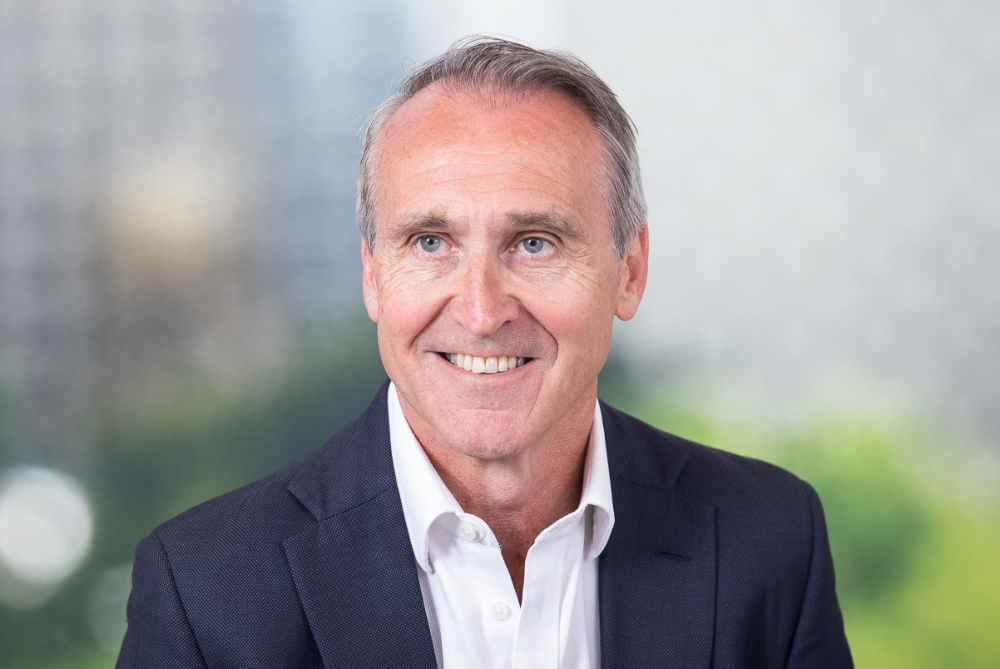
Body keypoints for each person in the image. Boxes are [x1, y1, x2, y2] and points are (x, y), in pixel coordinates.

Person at [117, 37, 853, 668]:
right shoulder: (206, 591)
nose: (480, 310)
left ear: (629, 269)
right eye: (430, 243)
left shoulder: (770, 538)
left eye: (534, 243)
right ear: (374, 274)